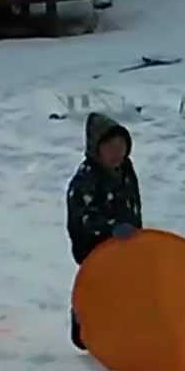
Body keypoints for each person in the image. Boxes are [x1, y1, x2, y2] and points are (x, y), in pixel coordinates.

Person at [66, 112, 142, 350]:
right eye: (110, 147)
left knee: (126, 288)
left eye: (121, 146)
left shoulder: (126, 169)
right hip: (94, 247)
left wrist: (136, 230)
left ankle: (121, 331)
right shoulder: (86, 178)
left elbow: (133, 201)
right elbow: (81, 217)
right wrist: (110, 228)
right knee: (98, 291)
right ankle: (81, 323)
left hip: (126, 241)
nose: (117, 152)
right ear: (96, 149)